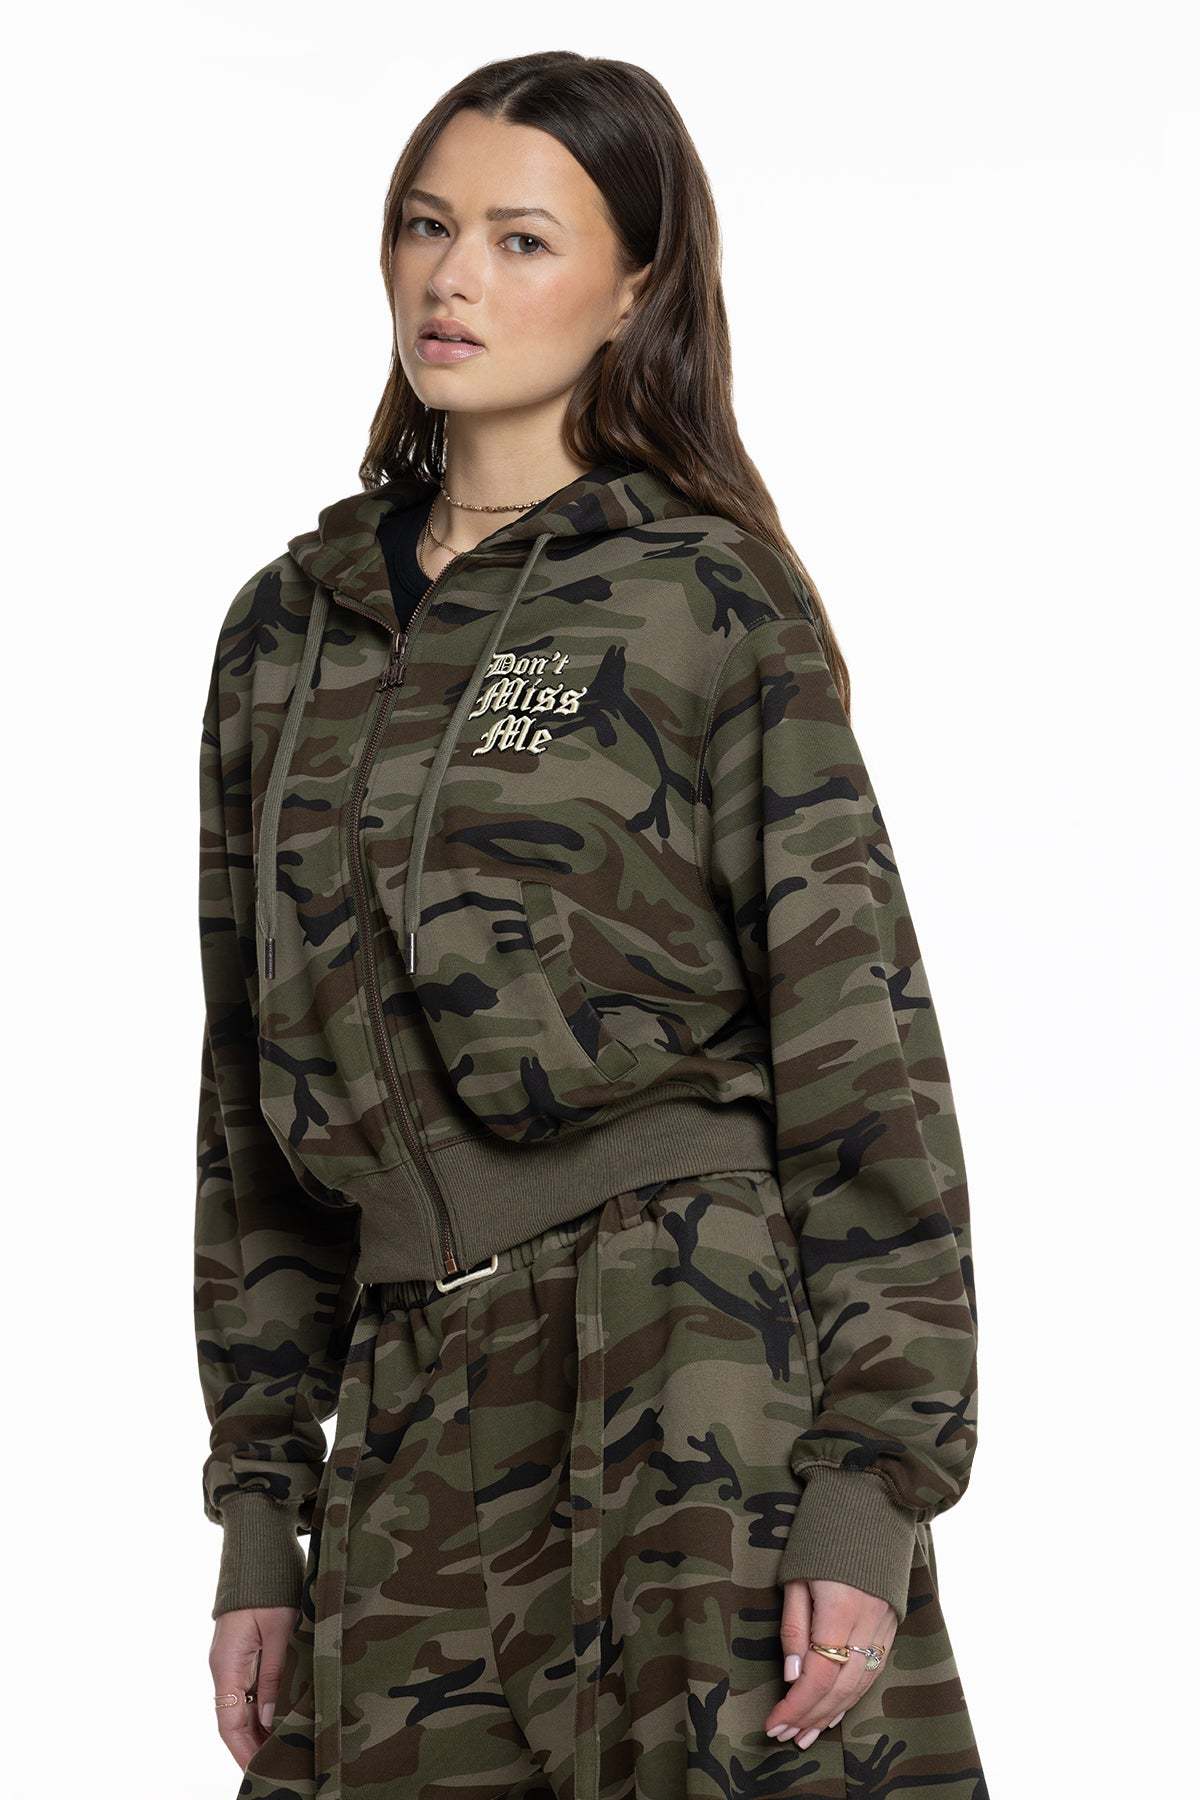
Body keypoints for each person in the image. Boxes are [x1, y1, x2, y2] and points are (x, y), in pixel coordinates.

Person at [195, 49, 988, 1800]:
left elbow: (858, 1033)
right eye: (426, 226)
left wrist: (872, 1480)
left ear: (636, 286)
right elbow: (245, 1104)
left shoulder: (702, 595)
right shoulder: (283, 634)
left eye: (521, 238)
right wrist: (260, 1501)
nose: (453, 278)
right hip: (406, 1396)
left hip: (685, 1364)